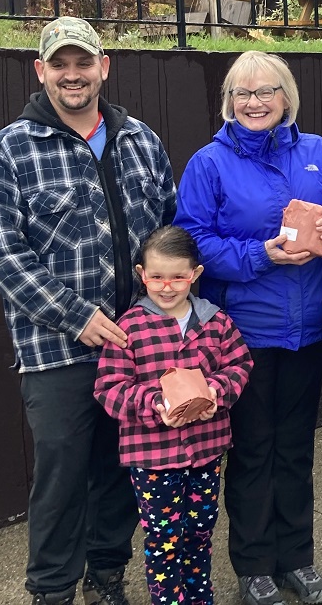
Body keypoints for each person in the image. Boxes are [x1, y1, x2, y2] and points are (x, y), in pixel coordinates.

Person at [173, 51, 322, 605]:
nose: (254, 102)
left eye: (265, 92)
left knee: (295, 449)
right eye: (242, 93)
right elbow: (193, 244)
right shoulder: (208, 164)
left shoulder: (318, 152)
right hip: (241, 336)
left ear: (286, 98)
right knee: (252, 449)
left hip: (308, 328)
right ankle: (254, 566)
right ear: (228, 102)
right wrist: (260, 255)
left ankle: (299, 561)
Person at [0, 17, 177, 605]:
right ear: (41, 70)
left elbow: (169, 234)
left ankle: (107, 576)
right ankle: (51, 591)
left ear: (104, 66)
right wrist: (77, 316)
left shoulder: (141, 140)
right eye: (60, 64)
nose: (72, 75)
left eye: (84, 62)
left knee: (124, 469)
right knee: (62, 478)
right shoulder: (12, 148)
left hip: (137, 345)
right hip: (57, 350)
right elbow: (6, 253)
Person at [94, 225, 253, 605]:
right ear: (141, 274)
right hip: (153, 458)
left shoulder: (216, 322)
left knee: (200, 531)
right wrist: (154, 405)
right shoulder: (128, 328)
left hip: (206, 450)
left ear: (195, 275)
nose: (167, 287)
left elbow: (240, 364)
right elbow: (108, 387)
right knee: (163, 541)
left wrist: (217, 390)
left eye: (178, 277)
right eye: (157, 277)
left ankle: (200, 598)